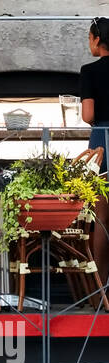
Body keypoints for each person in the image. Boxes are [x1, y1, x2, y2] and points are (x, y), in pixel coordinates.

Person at [79, 16, 109, 283]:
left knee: (102, 216)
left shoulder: (90, 71)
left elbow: (88, 115)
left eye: (89, 38)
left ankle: (101, 287)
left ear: (97, 39)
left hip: (103, 140)